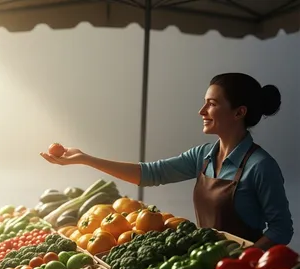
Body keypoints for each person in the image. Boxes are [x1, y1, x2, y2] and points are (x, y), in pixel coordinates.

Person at [40, 73, 293, 249]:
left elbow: (281, 229)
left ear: (239, 112)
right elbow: (150, 174)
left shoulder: (261, 166)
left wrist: (245, 257)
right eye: (204, 103)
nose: (201, 112)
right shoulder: (203, 155)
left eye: (211, 104)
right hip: (206, 262)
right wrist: (85, 159)